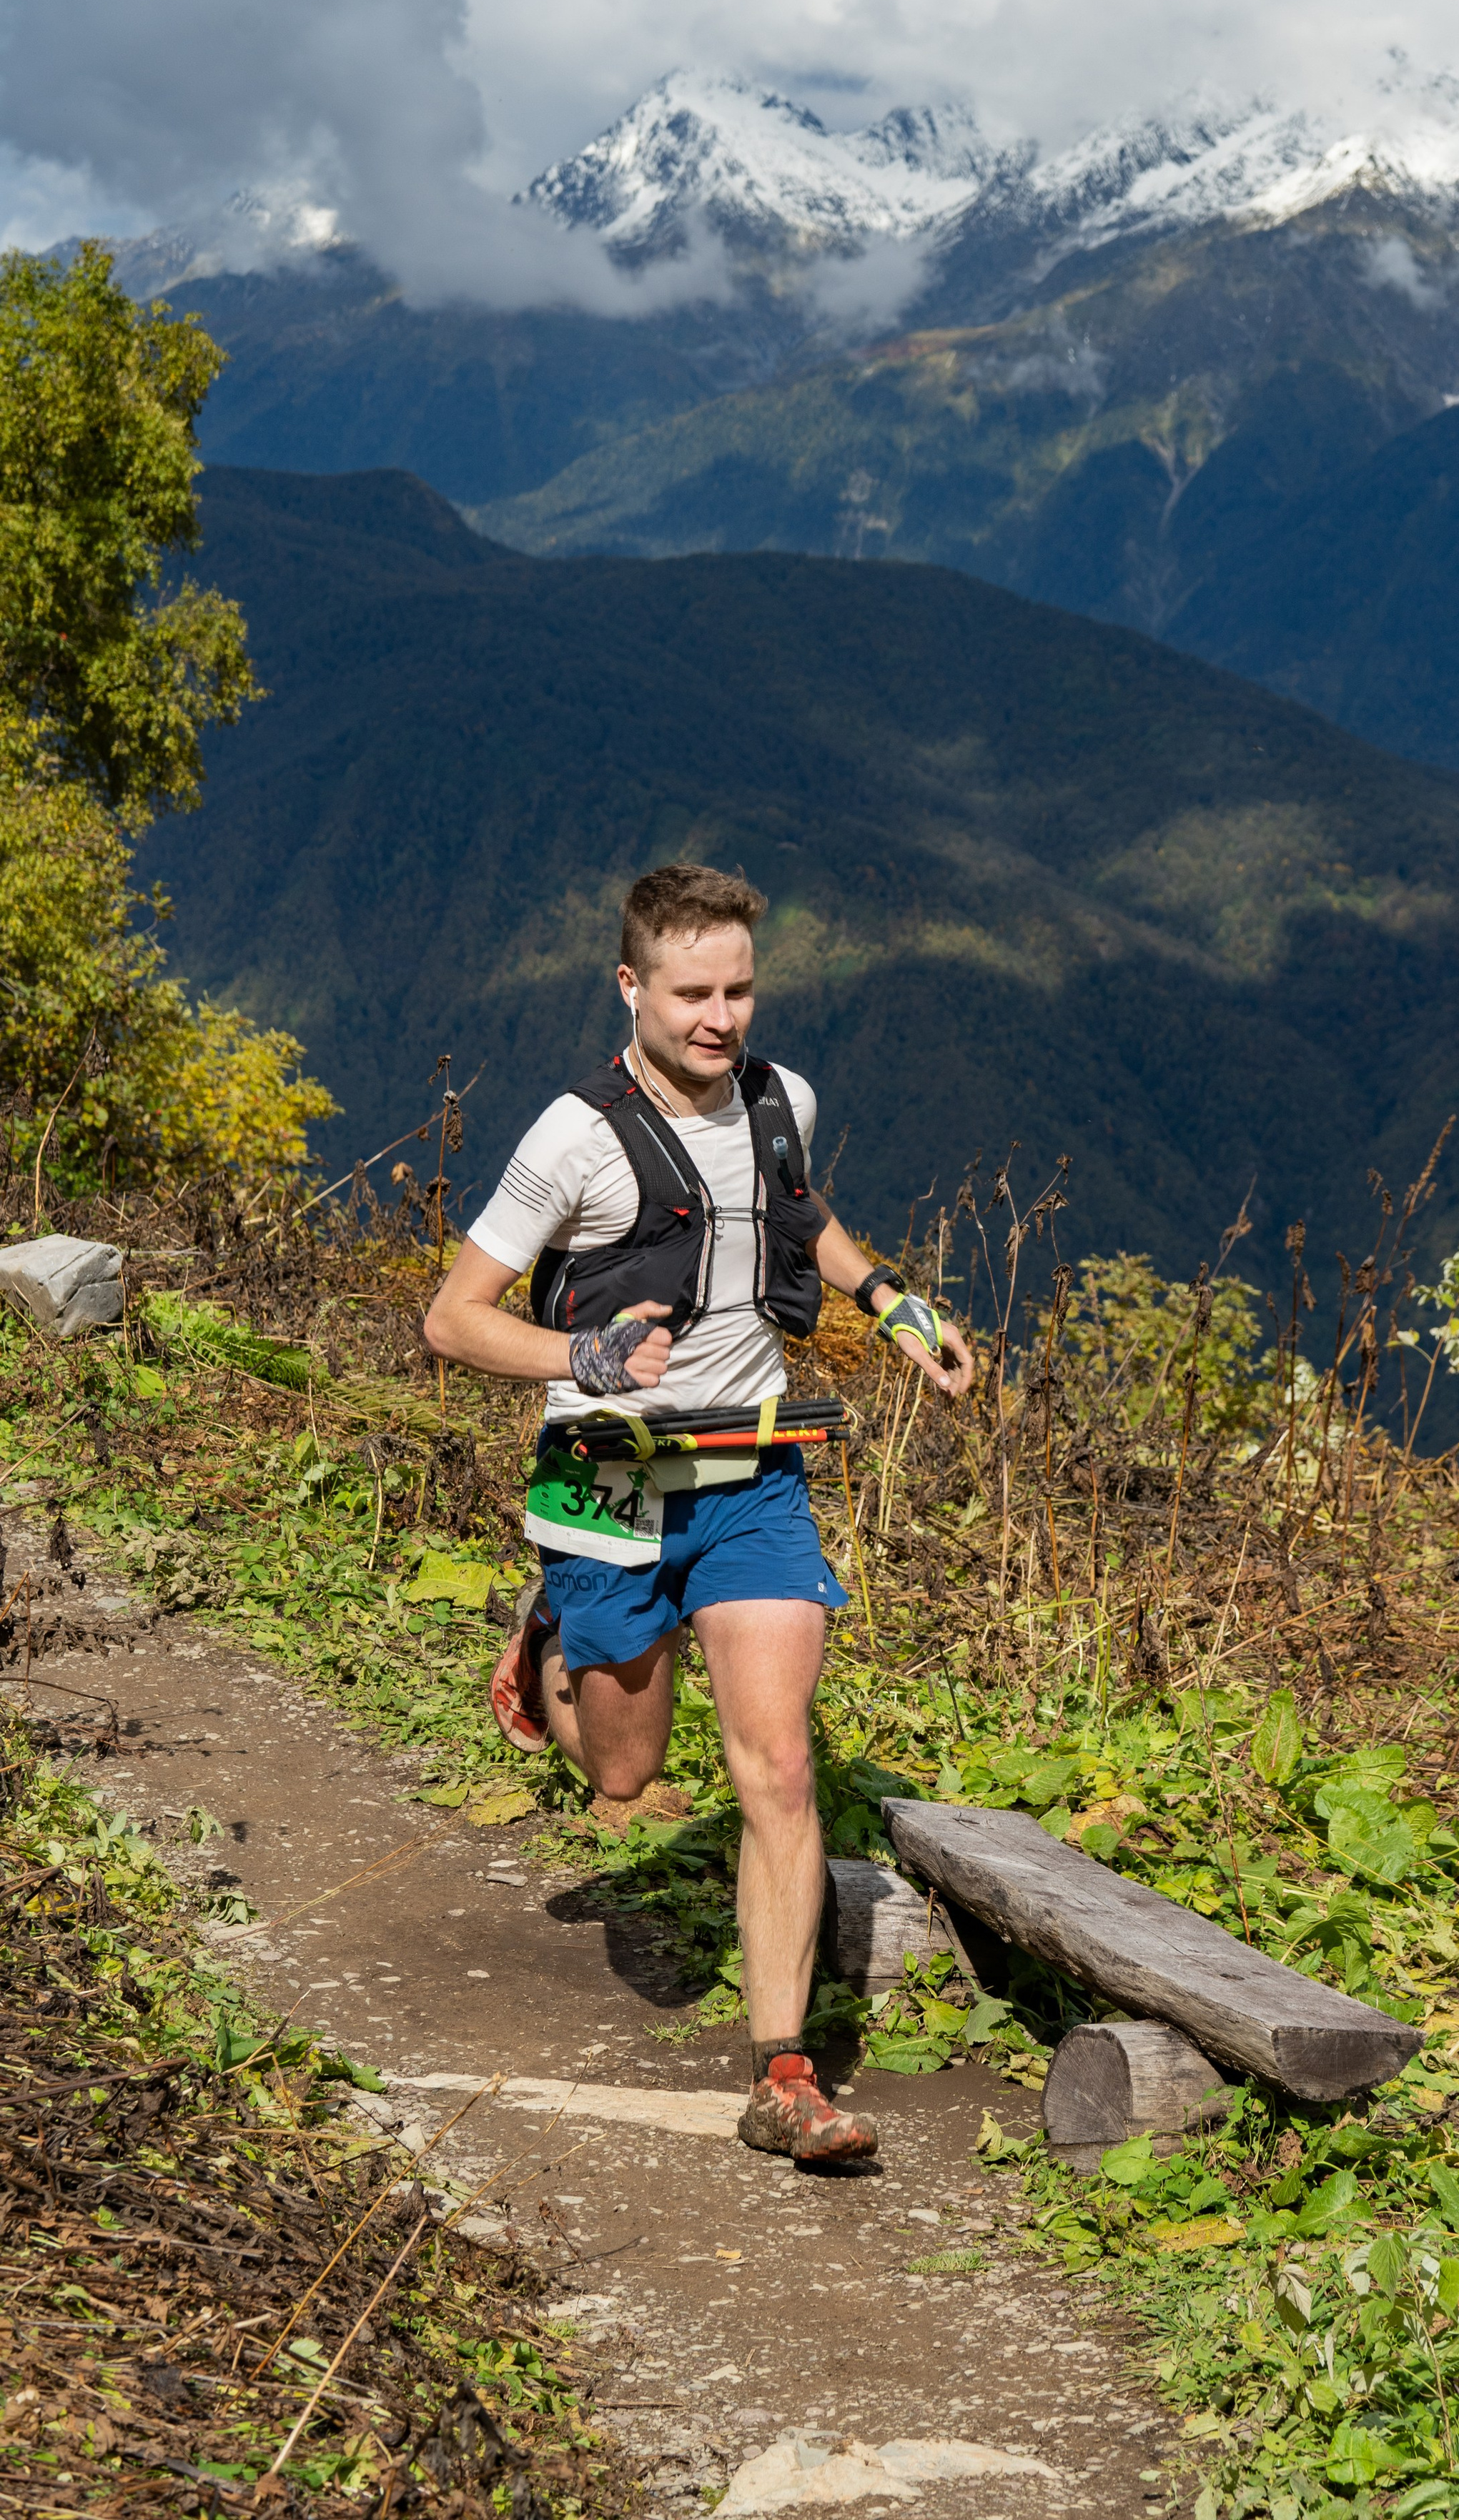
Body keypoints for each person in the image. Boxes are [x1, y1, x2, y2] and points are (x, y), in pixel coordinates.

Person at [422, 863, 974, 2163]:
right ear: (631, 987)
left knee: (778, 1769)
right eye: (690, 994)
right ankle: (556, 1632)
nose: (720, 1019)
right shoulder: (573, 1138)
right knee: (626, 1772)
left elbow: (795, 1212)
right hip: (606, 1481)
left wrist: (891, 1302)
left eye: (737, 989)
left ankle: (784, 2073)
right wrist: (588, 1363)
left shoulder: (784, 1101)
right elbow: (450, 1318)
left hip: (753, 1481)